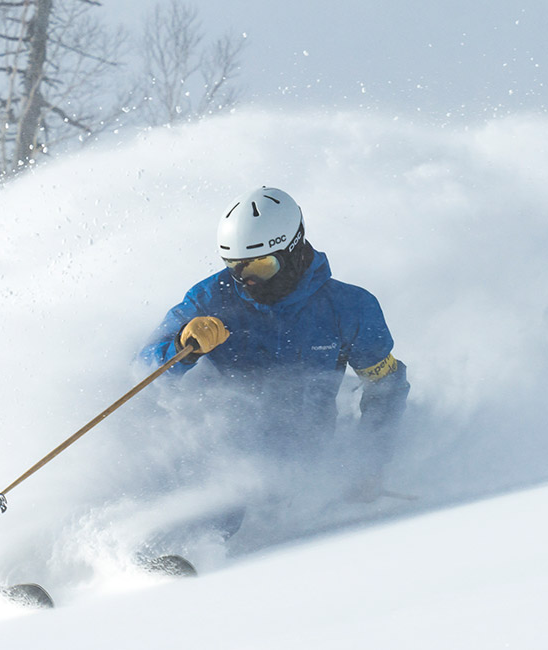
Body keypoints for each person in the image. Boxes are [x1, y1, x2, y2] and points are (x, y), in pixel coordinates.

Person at [138, 186, 410, 546]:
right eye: (234, 267)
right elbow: (143, 369)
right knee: (220, 487)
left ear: (294, 250)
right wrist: (181, 347)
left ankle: (178, 560)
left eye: (261, 266)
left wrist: (369, 462)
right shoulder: (211, 300)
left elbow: (386, 386)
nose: (247, 281)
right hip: (222, 444)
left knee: (245, 489)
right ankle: (150, 558)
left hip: (304, 456)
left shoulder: (347, 307)